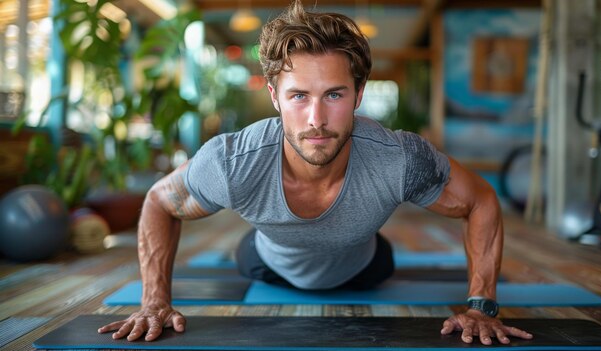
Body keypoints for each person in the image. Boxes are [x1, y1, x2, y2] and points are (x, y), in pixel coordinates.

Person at [98, 0, 533, 345]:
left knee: (381, 259)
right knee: (248, 254)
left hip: (366, 271)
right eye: (299, 95)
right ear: (274, 96)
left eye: (335, 94)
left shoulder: (398, 158)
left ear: (359, 94)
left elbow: (480, 200)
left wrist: (482, 306)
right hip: (264, 264)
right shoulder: (233, 161)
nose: (316, 118)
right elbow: (159, 200)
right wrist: (154, 302)